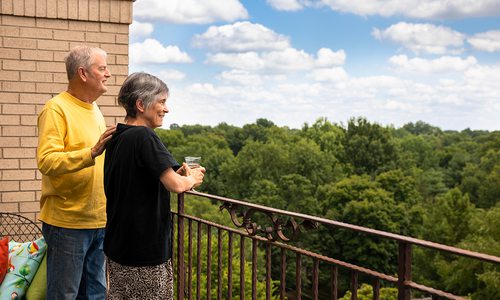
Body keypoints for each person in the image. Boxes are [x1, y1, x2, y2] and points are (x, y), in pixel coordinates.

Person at [103, 72, 205, 299]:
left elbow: (137, 176)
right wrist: (192, 179)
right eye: (162, 101)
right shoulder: (144, 137)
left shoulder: (119, 136)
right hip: (143, 251)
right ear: (141, 104)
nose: (166, 109)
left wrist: (173, 172)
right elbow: (176, 185)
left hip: (119, 246)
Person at [37, 45, 116, 299]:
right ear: (83, 73)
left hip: (98, 221)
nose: (108, 74)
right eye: (102, 68)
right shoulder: (56, 108)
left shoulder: (95, 109)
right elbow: (47, 161)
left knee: (96, 294)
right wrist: (91, 152)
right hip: (67, 224)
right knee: (64, 295)